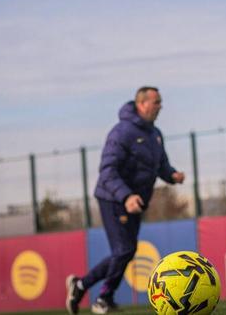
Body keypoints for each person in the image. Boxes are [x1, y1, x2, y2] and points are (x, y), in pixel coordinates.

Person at [66, 86, 185, 314]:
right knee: (124, 250)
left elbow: (161, 165)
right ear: (141, 104)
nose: (160, 106)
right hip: (113, 199)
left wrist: (172, 175)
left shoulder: (155, 134)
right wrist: (126, 195)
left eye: (160, 102)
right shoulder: (122, 132)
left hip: (136, 201)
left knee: (125, 252)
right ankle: (102, 298)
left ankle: (80, 286)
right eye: (156, 101)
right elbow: (107, 171)